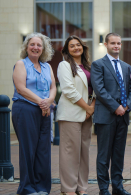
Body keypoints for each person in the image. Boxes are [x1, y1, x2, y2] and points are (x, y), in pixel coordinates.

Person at [12, 32, 56, 195]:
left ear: (43, 49)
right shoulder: (21, 64)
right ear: (26, 47)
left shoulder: (47, 66)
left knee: (43, 150)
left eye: (39, 45)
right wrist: (42, 102)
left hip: (44, 111)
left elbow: (53, 87)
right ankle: (27, 188)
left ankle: (42, 187)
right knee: (28, 150)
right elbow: (21, 88)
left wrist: (49, 100)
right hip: (25, 109)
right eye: (32, 44)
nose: (35, 47)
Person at [91, 33, 131, 195]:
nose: (116, 46)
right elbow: (99, 90)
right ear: (106, 45)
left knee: (118, 154)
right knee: (103, 155)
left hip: (123, 117)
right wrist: (116, 106)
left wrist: (128, 105)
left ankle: (118, 187)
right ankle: (104, 189)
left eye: (119, 43)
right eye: (113, 43)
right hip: (106, 116)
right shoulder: (98, 65)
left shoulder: (126, 67)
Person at [56, 35, 96, 195]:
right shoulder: (64, 65)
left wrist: (91, 107)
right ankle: (68, 188)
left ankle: (82, 187)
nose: (76, 48)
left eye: (78, 45)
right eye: (72, 46)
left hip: (87, 114)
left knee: (84, 152)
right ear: (67, 50)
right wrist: (87, 107)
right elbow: (68, 91)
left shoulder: (89, 66)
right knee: (69, 153)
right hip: (70, 114)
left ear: (83, 47)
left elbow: (95, 89)